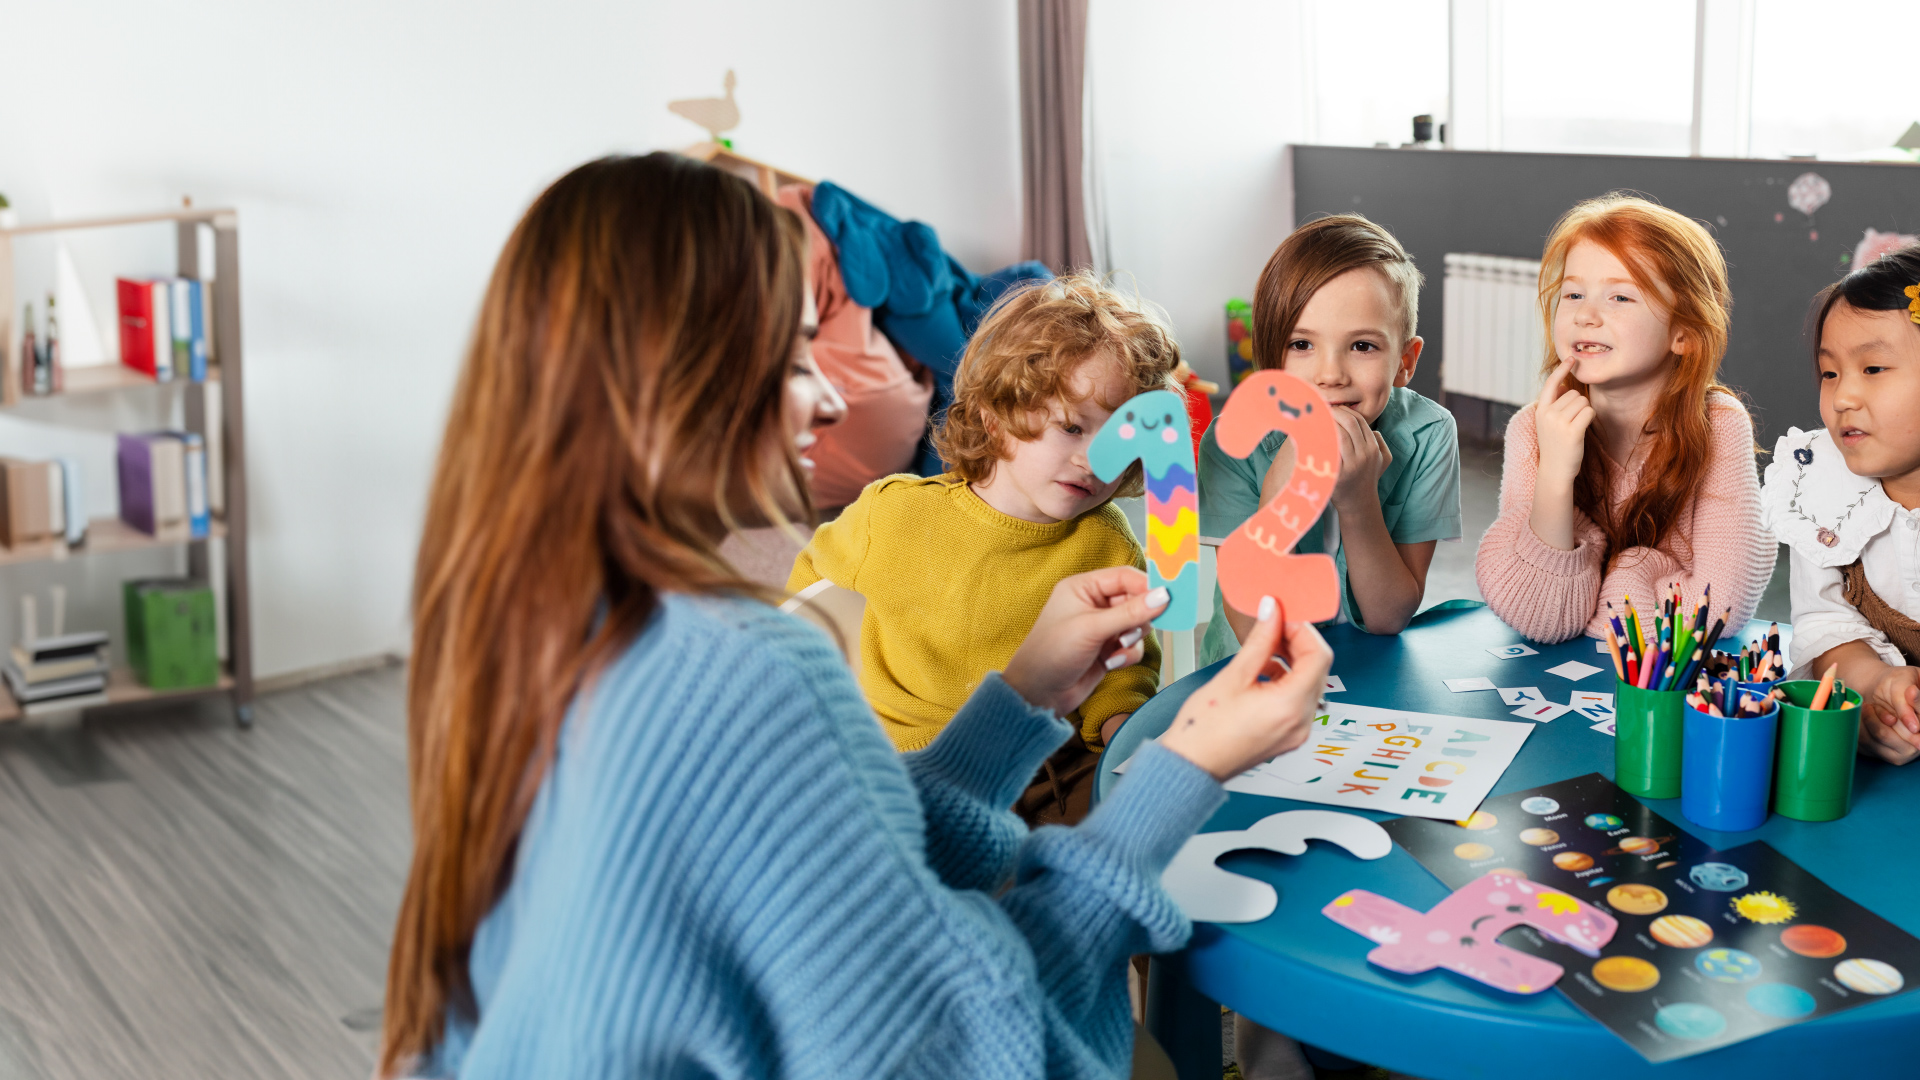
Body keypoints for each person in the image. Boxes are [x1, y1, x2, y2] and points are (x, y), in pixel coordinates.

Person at [378, 152, 1334, 1079]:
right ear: (677, 377)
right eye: (797, 353)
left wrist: (1019, 696)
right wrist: (1188, 767)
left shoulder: (540, 631)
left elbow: (827, 864)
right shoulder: (749, 666)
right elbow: (975, 1045)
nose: (831, 394)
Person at [787, 273, 1177, 825]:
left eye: (1118, 441)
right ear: (995, 416)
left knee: (1151, 838)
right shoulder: (892, 513)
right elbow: (808, 599)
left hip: (1052, 768)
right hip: (911, 766)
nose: (1095, 461)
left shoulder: (1108, 539)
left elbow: (1121, 668)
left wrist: (1126, 734)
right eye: (1071, 427)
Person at [1476, 193, 1774, 644]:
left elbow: (1720, 611)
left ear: (1684, 333)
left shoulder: (1719, 426)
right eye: (1573, 293)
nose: (1586, 315)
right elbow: (1537, 616)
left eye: (1620, 296)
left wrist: (1624, 575)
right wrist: (1556, 473)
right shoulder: (1533, 428)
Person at [1199, 213, 1461, 667]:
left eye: (1362, 346)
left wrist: (1359, 503)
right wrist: (1282, 492)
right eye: (1302, 345)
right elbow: (1253, 629)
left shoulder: (1429, 434)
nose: (1331, 376)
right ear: (1268, 361)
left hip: (1369, 675)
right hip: (1254, 679)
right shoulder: (1230, 444)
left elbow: (1388, 616)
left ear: (1405, 361)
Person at [1760, 246, 1920, 765]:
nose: (1843, 397)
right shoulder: (1821, 491)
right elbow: (1825, 623)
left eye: (1873, 367)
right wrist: (1876, 691)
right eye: (1830, 373)